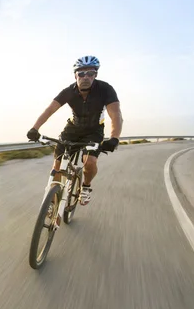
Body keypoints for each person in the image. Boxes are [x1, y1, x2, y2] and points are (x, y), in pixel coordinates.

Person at [26, 55, 123, 206]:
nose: (85, 77)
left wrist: (114, 138)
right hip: (72, 129)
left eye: (90, 73)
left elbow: (115, 115)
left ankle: (86, 187)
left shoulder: (105, 89)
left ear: (95, 75)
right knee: (57, 166)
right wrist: (35, 128)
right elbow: (49, 110)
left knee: (89, 162)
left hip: (94, 131)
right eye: (81, 73)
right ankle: (52, 203)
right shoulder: (68, 91)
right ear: (75, 75)